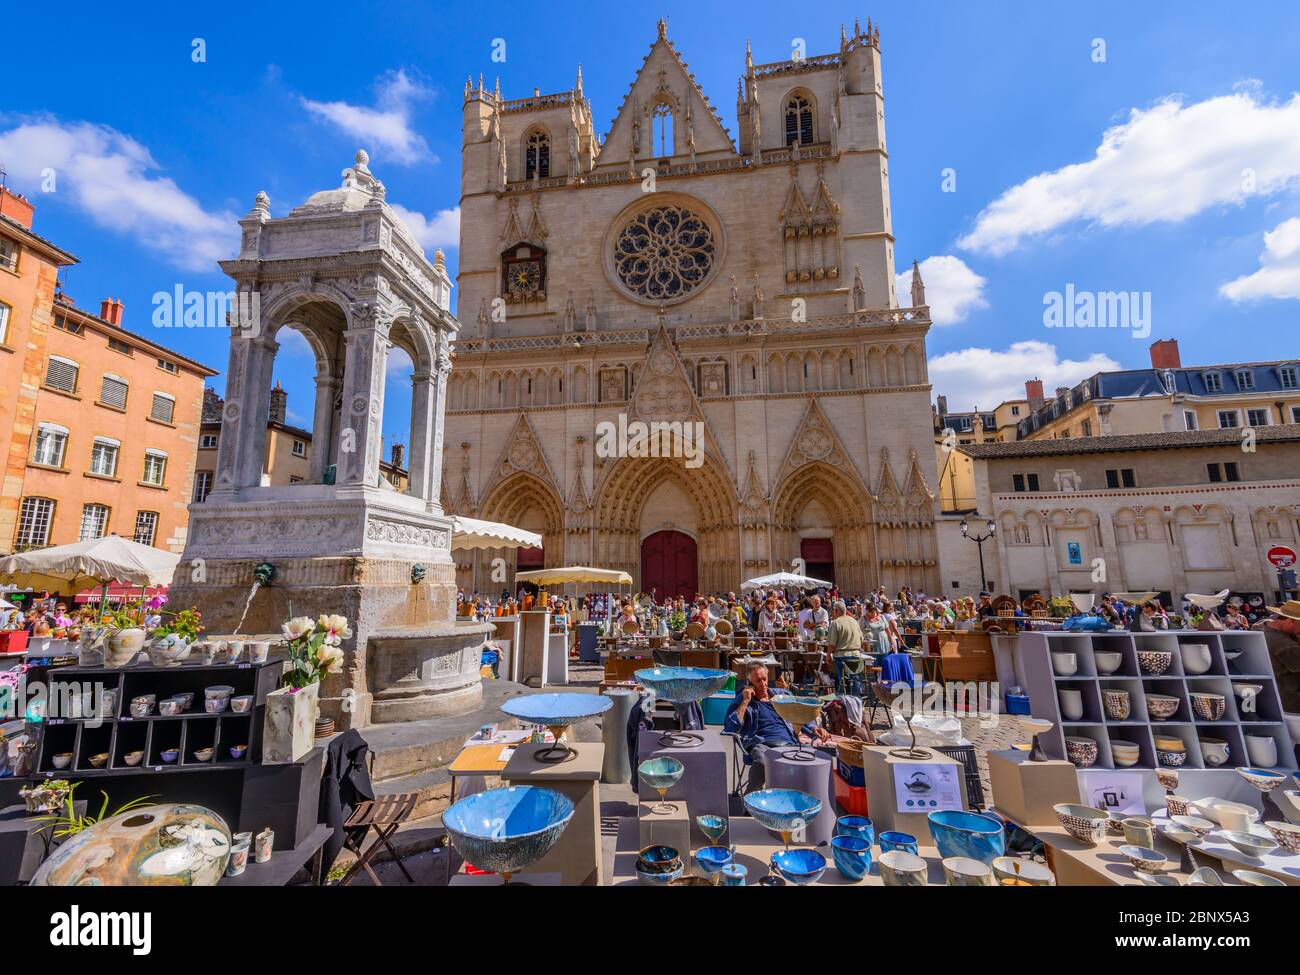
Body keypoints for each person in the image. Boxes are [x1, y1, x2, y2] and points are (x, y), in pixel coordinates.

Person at [723, 663, 829, 792]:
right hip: (761, 743)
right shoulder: (744, 699)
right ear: (749, 683)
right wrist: (745, 701)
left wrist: (813, 728)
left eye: (764, 679)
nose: (763, 684)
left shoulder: (781, 696)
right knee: (762, 760)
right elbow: (730, 727)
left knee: (814, 756)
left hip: (790, 743)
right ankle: (750, 802)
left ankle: (808, 800)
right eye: (758, 681)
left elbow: (799, 713)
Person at [1253, 599, 1300, 712]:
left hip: (1265, 695)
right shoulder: (1285, 645)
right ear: (1290, 621)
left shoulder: (1259, 626)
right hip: (1289, 700)